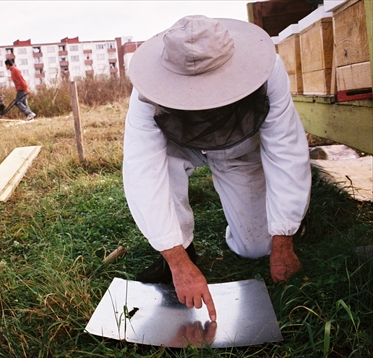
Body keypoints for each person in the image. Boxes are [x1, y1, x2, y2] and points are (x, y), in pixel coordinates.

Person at [122, 15, 312, 322]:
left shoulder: (268, 71)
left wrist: (284, 237)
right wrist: (177, 261)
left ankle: (276, 223)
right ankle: (181, 249)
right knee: (163, 169)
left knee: (257, 247)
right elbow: (143, 174)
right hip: (179, 148)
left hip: (239, 152)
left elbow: (286, 151)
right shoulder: (146, 95)